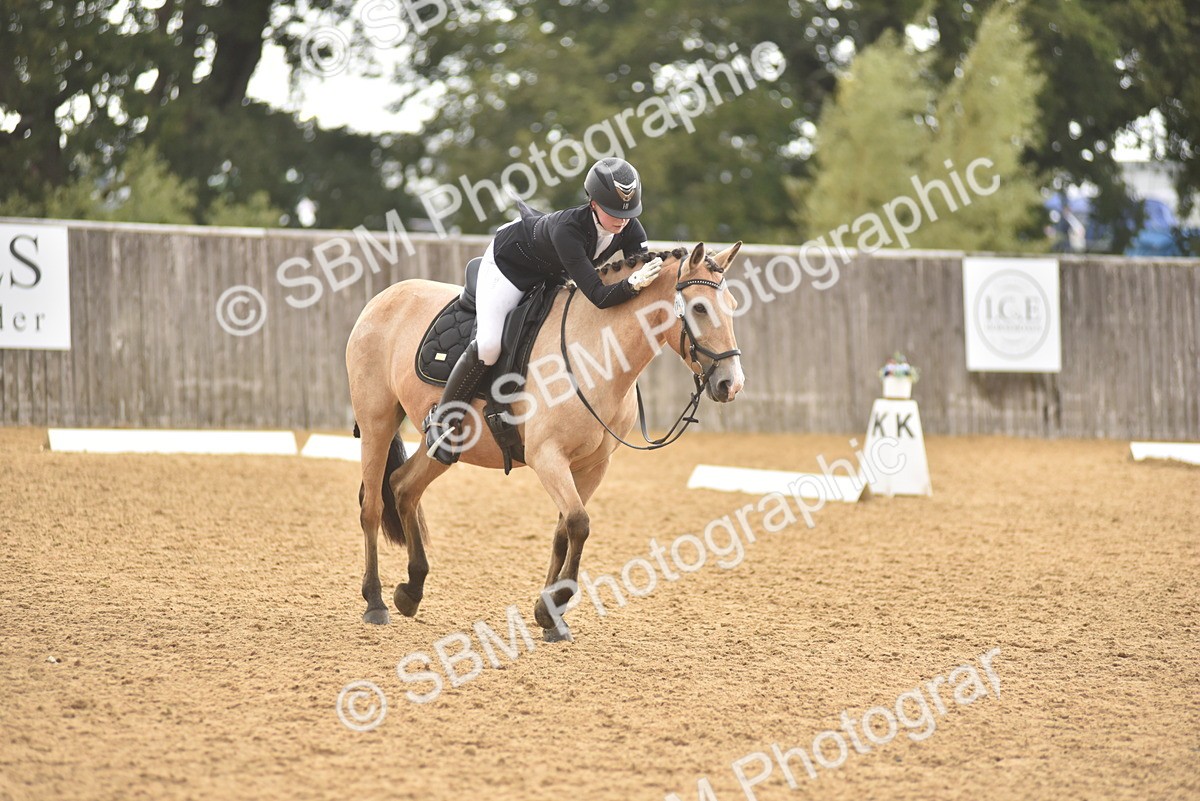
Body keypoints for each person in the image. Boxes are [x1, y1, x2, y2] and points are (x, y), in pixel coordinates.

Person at [424, 156, 664, 464]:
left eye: (628, 213)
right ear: (592, 204)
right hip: (509, 267)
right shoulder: (569, 230)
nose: (622, 220)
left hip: (551, 272)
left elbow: (641, 274)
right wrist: (631, 285)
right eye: (614, 212)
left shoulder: (630, 228)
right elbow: (600, 296)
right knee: (489, 345)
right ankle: (443, 421)